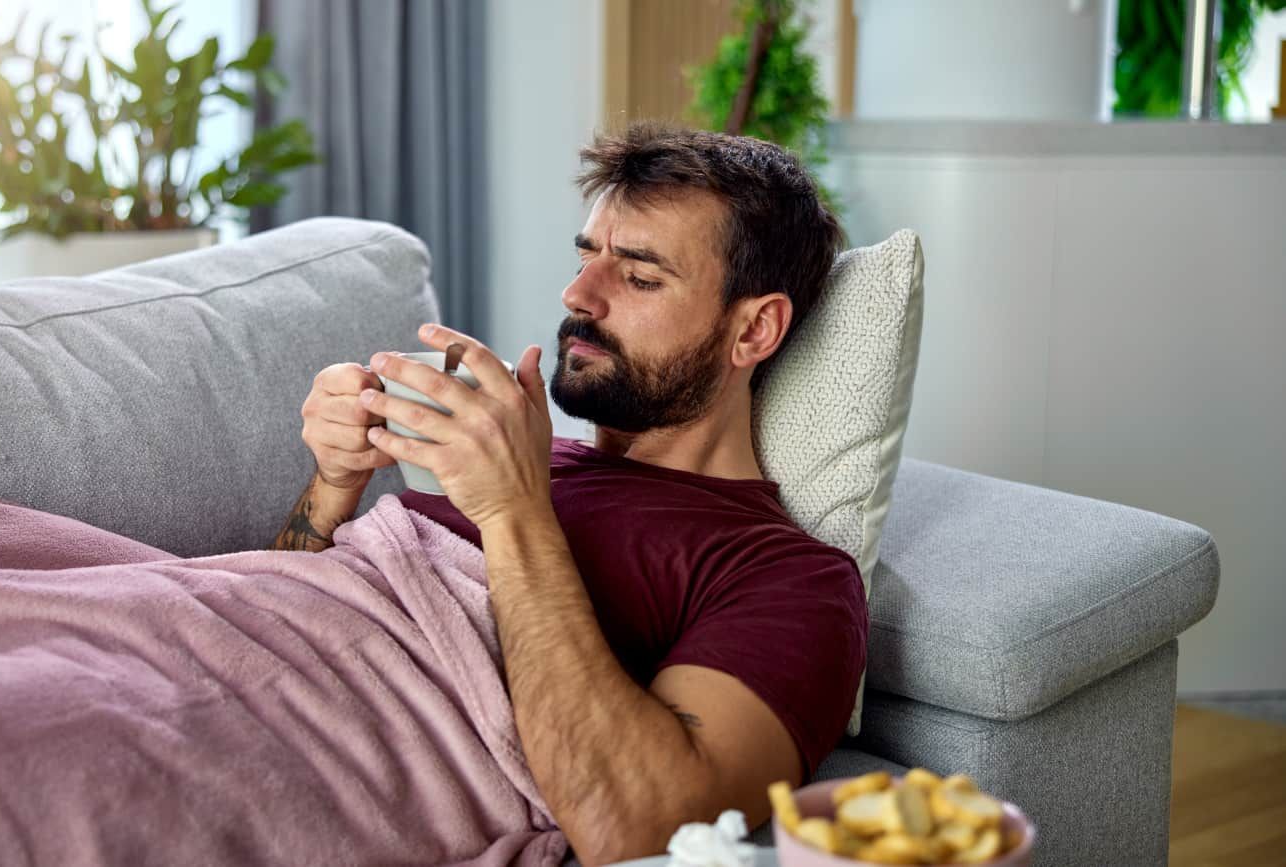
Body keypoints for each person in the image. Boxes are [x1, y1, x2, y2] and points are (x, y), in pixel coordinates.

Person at [273, 122, 866, 866]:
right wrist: (332, 487)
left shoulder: (787, 574)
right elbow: (269, 619)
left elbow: (642, 827)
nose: (578, 294)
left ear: (753, 330)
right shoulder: (522, 457)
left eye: (641, 276)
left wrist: (513, 512)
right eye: (588, 258)